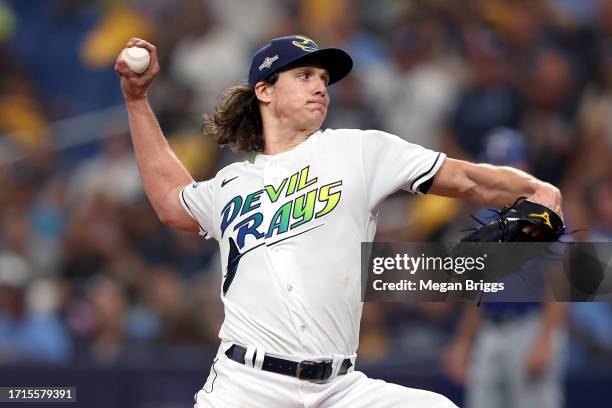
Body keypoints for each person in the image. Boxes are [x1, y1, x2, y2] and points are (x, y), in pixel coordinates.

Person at [115, 34, 562, 407]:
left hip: (339, 389)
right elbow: (172, 202)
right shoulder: (231, 183)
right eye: (304, 75)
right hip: (245, 386)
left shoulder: (360, 150)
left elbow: (466, 178)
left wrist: (535, 190)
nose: (320, 87)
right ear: (265, 90)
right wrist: (137, 102)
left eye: (325, 79)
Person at [443, 129, 568, 408]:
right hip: (490, 331)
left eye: (510, 167)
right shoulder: (484, 219)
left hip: (529, 326)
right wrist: (463, 340)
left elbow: (559, 283)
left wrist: (546, 339)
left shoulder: (544, 214)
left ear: (525, 168)